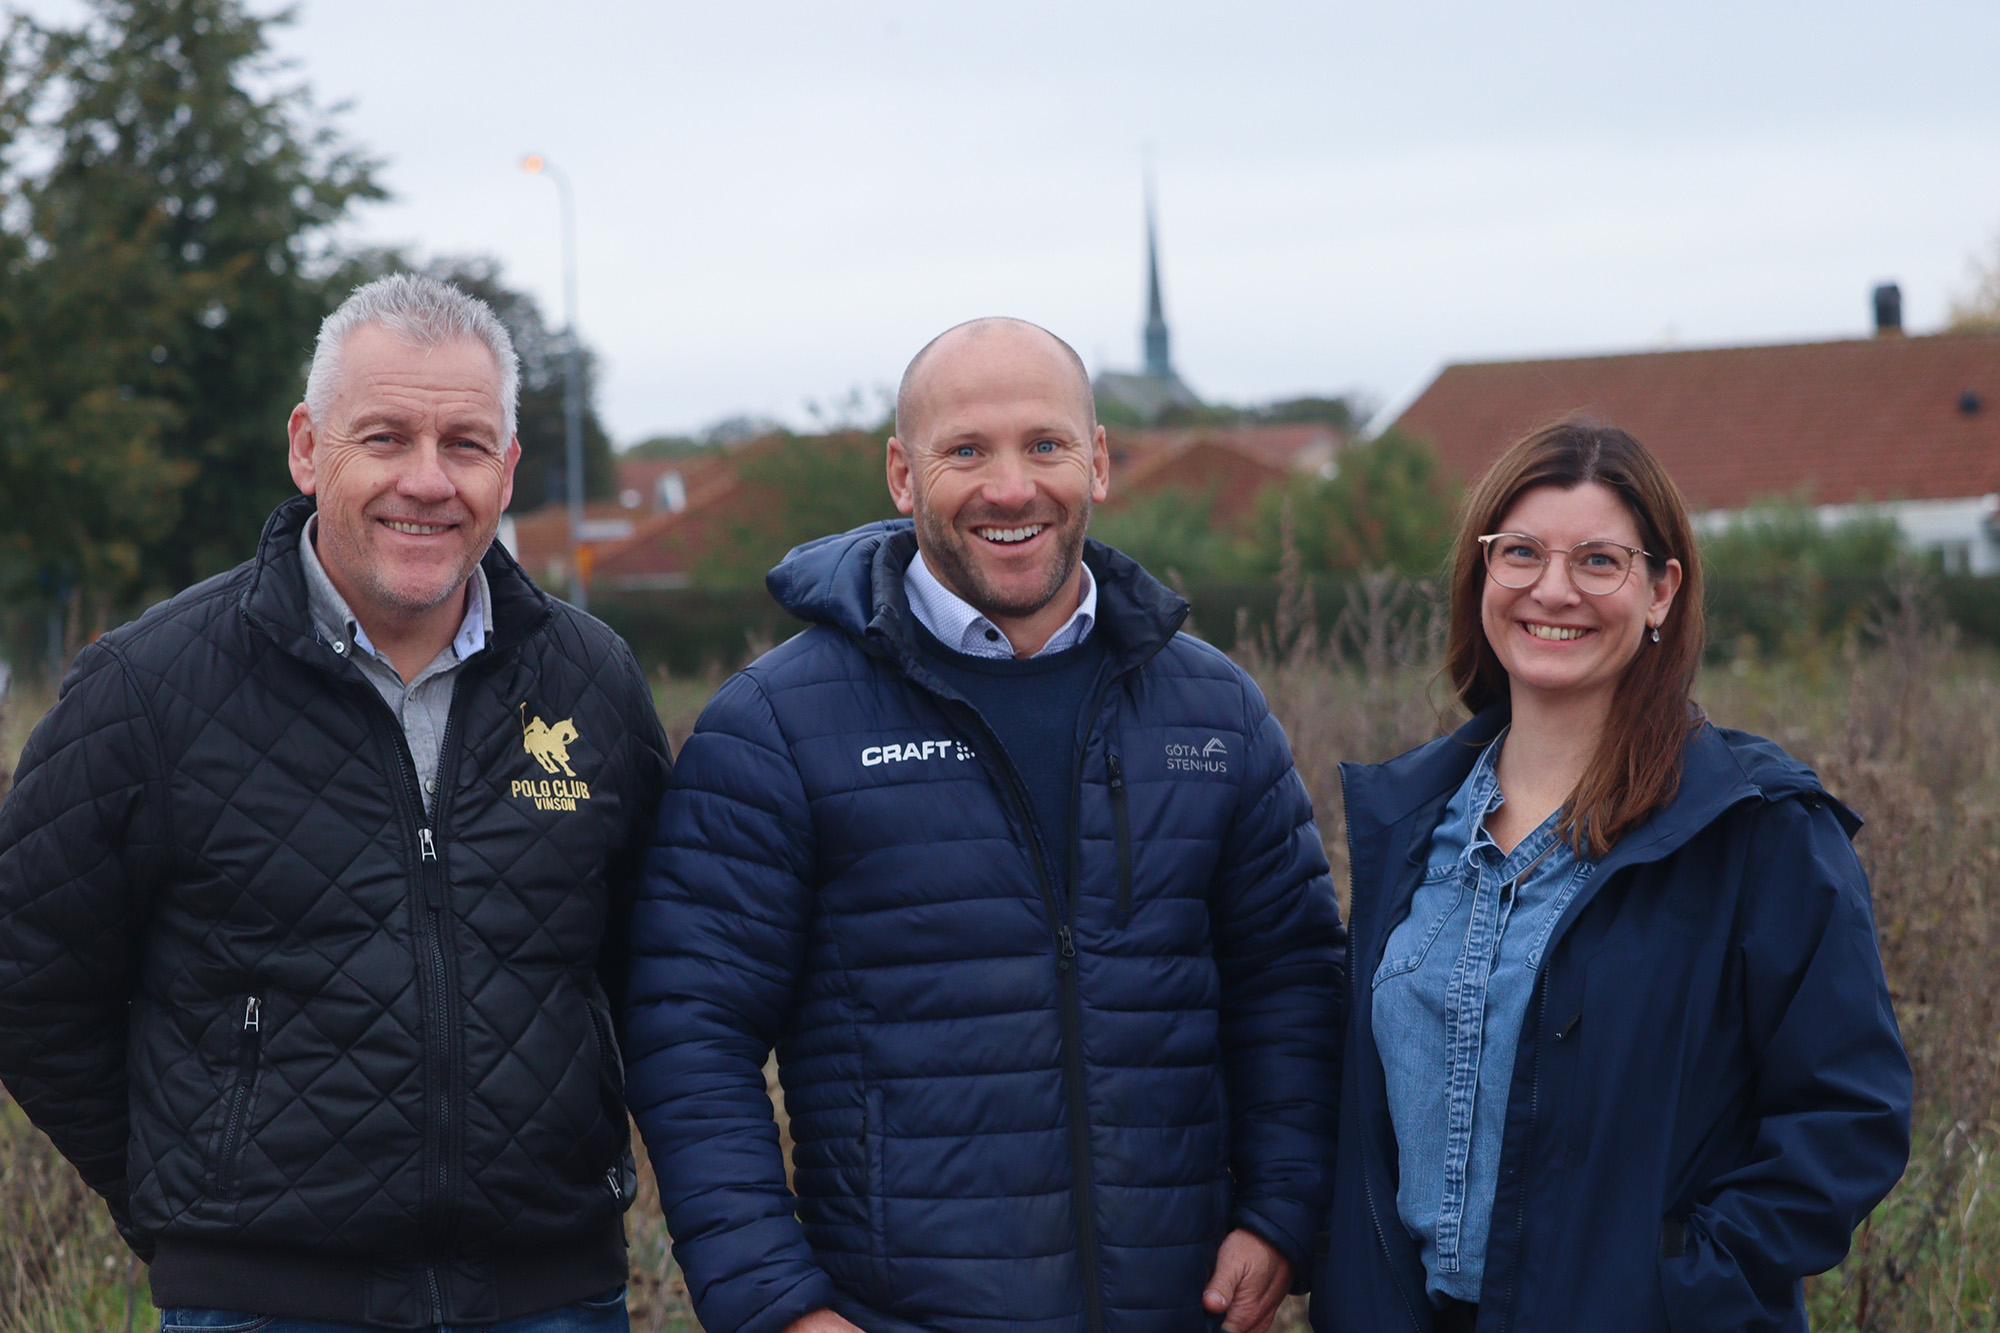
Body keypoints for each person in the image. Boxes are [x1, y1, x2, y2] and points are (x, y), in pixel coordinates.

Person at [624, 317, 1345, 1333]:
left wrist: (1279, 1214)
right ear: (900, 474)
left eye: (1044, 445)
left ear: (1096, 461)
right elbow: (688, 1031)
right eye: (965, 450)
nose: (1011, 488)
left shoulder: (1213, 711)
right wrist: (776, 1306)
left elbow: (1290, 986)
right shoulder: (778, 725)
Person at [0, 274, 672, 1330]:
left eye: (462, 443)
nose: (425, 479)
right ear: (309, 448)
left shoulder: (591, 678)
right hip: (263, 1305)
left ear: (507, 469)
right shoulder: (146, 687)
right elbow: (29, 976)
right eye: (385, 437)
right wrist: (195, 1209)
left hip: (552, 1296)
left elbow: (659, 974)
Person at [1315, 420, 1911, 1333]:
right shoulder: (1407, 826)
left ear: (1661, 589)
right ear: (1483, 574)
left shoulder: (1756, 832)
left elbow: (1849, 1112)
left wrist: (1679, 1286)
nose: (1553, 589)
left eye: (1599, 560)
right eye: (1520, 553)